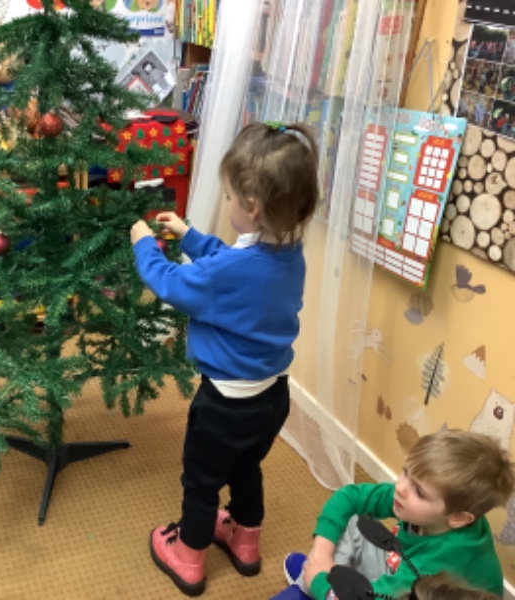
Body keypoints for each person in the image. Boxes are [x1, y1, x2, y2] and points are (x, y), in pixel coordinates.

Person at [130, 121, 320, 596]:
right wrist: (191, 236)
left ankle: (189, 556)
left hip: (223, 404)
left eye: (230, 197)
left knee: (201, 482)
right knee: (245, 467)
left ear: (251, 207)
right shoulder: (289, 252)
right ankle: (245, 541)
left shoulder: (233, 270)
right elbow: (229, 265)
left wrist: (143, 245)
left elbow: (172, 283)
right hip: (272, 396)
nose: (228, 203)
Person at [280, 429, 513, 599]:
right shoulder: (426, 508)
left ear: (459, 518)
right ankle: (314, 580)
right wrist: (323, 556)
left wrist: (320, 584)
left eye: (419, 491)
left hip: (416, 590)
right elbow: (349, 497)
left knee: (322, 579)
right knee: (351, 519)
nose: (400, 487)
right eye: (405, 472)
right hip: (404, 569)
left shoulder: (435, 570)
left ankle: (313, 585)